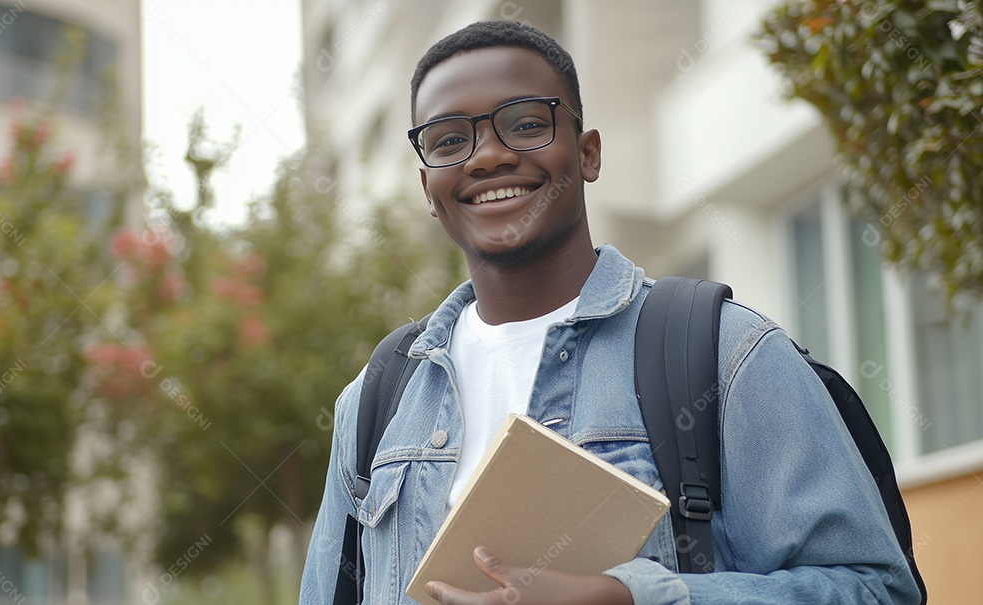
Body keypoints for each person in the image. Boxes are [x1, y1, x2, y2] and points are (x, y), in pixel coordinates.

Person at [299, 20, 920, 605]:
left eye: (524, 124)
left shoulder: (723, 354)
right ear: (428, 189)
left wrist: (631, 596)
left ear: (589, 154)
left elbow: (875, 589)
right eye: (449, 140)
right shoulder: (378, 399)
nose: (486, 156)